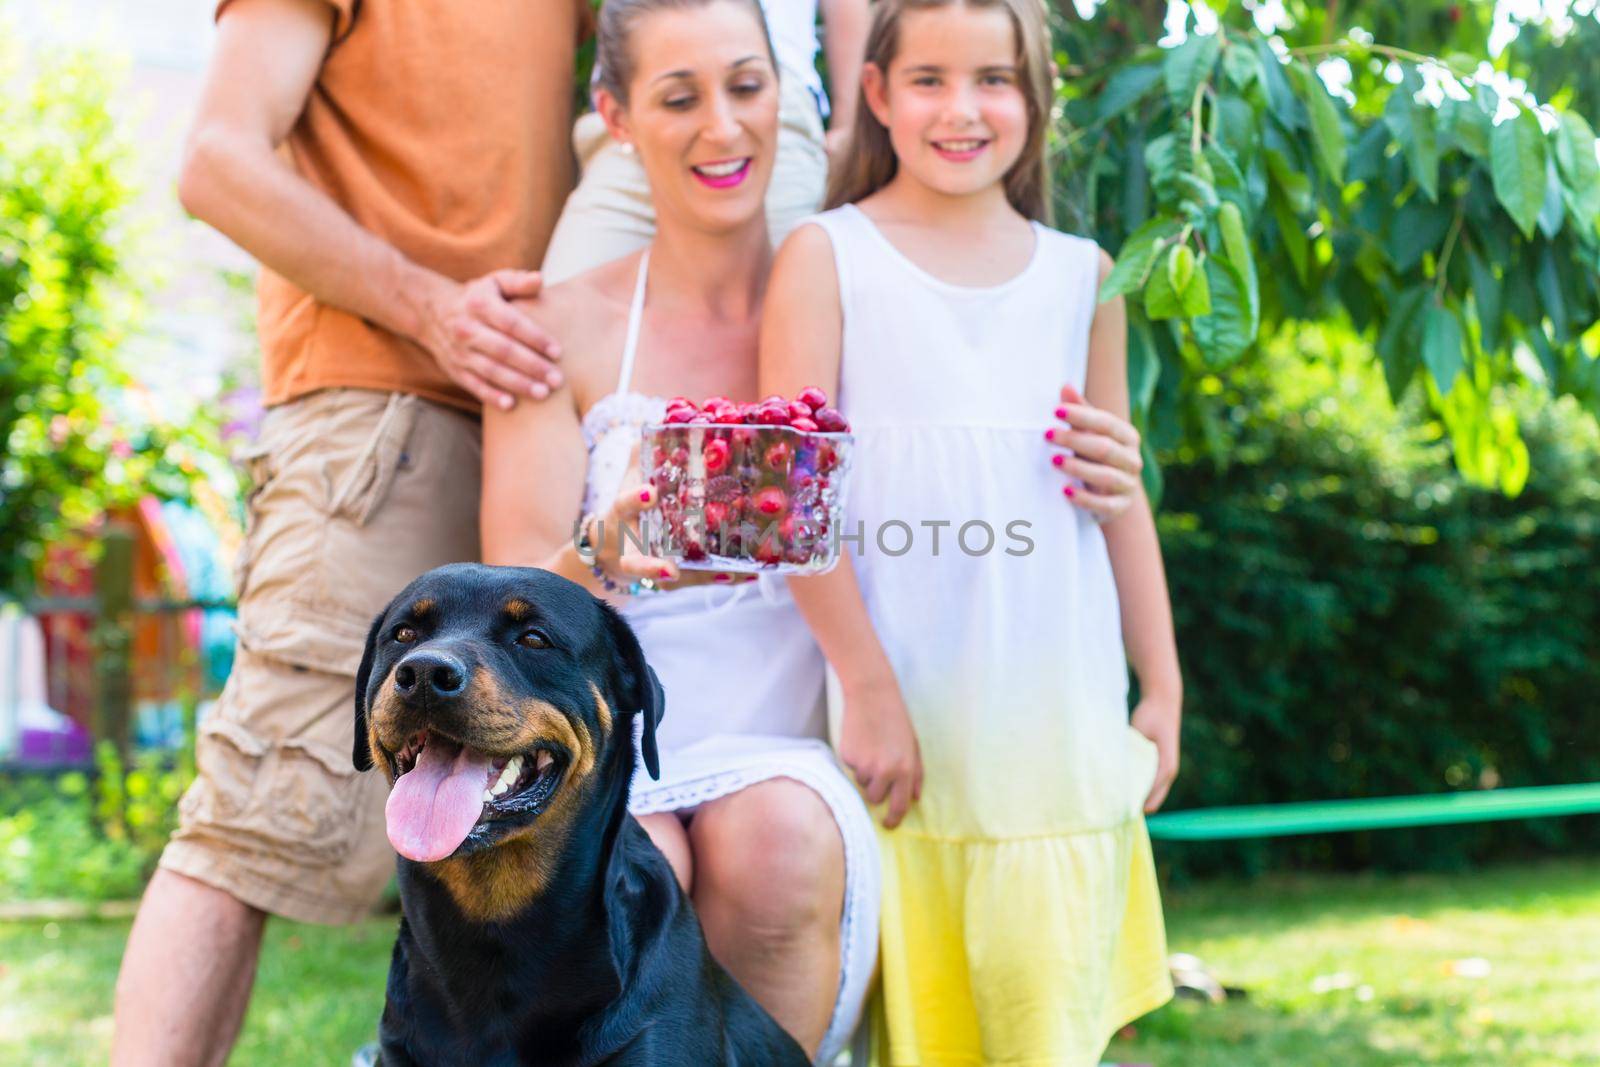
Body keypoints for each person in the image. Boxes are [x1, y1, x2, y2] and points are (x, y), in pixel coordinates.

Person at [111, 1, 583, 1064]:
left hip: (536, 420)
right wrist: (432, 309)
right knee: (260, 817)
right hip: (383, 413)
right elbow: (216, 161)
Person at [759, 0, 1181, 1061]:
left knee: (1047, 1028)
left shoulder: (1083, 274)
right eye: (930, 79)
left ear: (1037, 100)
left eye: (993, 79)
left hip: (1055, 742)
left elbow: (1112, 492)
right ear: (878, 96)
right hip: (900, 747)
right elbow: (787, 503)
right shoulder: (826, 255)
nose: (962, 108)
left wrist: (1163, 683)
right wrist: (866, 683)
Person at [479, 0, 878, 1060]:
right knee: (626, 860)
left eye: (746, 87)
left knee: (778, 838)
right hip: (611, 721)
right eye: (678, 97)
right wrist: (596, 555)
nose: (722, 128)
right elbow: (507, 596)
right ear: (613, 114)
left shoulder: (856, 306)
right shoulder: (552, 330)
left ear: (783, 95)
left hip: (779, 732)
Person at [539, 0, 868, 283]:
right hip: (636, 98)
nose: (721, 132)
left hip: (773, 114)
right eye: (682, 101)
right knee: (547, 333)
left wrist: (851, 123)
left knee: (797, 305)